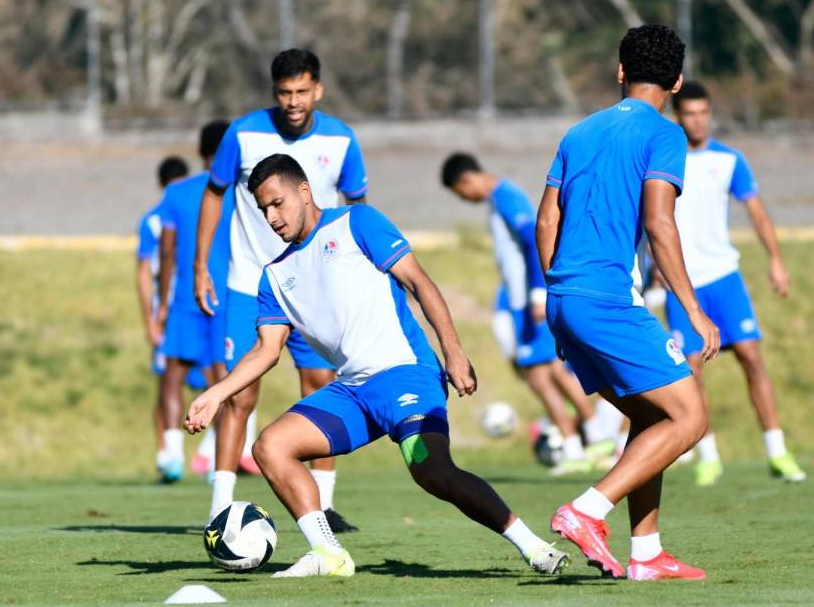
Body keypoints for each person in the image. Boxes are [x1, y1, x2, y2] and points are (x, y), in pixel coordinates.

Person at [186, 154, 568, 578]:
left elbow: (418, 282)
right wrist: (216, 394)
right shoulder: (275, 275)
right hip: (352, 391)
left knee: (431, 470)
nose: (271, 217)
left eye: (277, 204)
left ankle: (532, 547)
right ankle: (329, 554)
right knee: (270, 447)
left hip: (405, 372)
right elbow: (265, 350)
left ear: (305, 192)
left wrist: (453, 352)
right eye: (263, 210)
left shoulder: (357, 223)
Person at [537, 24, 720, 582]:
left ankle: (646, 555)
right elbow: (659, 223)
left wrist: (562, 296)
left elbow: (548, 219)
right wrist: (693, 309)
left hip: (564, 297)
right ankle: (587, 511)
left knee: (651, 417)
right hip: (607, 300)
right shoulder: (664, 136)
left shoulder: (578, 133)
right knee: (690, 418)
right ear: (678, 80)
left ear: (620, 72)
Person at [194, 49, 366, 531]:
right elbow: (214, 194)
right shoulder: (242, 134)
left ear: (318, 90)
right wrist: (199, 267)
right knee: (239, 396)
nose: (293, 101)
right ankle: (220, 510)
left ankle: (325, 507)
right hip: (248, 284)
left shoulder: (342, 140)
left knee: (323, 389)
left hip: (316, 289)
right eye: (285, 92)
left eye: (302, 91)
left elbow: (358, 208)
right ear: (274, 92)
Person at [440, 152, 619, 474]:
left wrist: (539, 292)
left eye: (460, 194)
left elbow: (533, 237)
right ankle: (577, 446)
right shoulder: (498, 200)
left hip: (527, 301)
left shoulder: (507, 197)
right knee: (541, 375)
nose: (465, 199)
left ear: (466, 181)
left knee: (547, 371)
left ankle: (596, 436)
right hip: (518, 300)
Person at [667, 81, 804, 485]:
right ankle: (707, 456)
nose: (697, 120)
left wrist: (776, 261)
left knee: (752, 357)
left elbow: (758, 213)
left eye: (703, 112)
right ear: (677, 116)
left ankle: (777, 451)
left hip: (725, 276)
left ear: (710, 113)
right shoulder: (665, 159)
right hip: (683, 284)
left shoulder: (729, 160)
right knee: (691, 371)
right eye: (689, 113)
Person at [154, 123, 241, 482]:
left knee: (173, 372)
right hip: (228, 296)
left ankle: (173, 455)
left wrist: (162, 300)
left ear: (200, 150)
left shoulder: (176, 194)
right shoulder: (240, 193)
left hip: (187, 296)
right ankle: (213, 454)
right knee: (223, 377)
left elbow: (167, 249)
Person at [136, 155, 198, 481]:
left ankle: (210, 453)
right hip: (173, 311)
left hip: (192, 307)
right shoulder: (153, 221)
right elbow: (144, 271)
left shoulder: (196, 210)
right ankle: (167, 456)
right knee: (168, 380)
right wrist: (150, 318)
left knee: (205, 380)